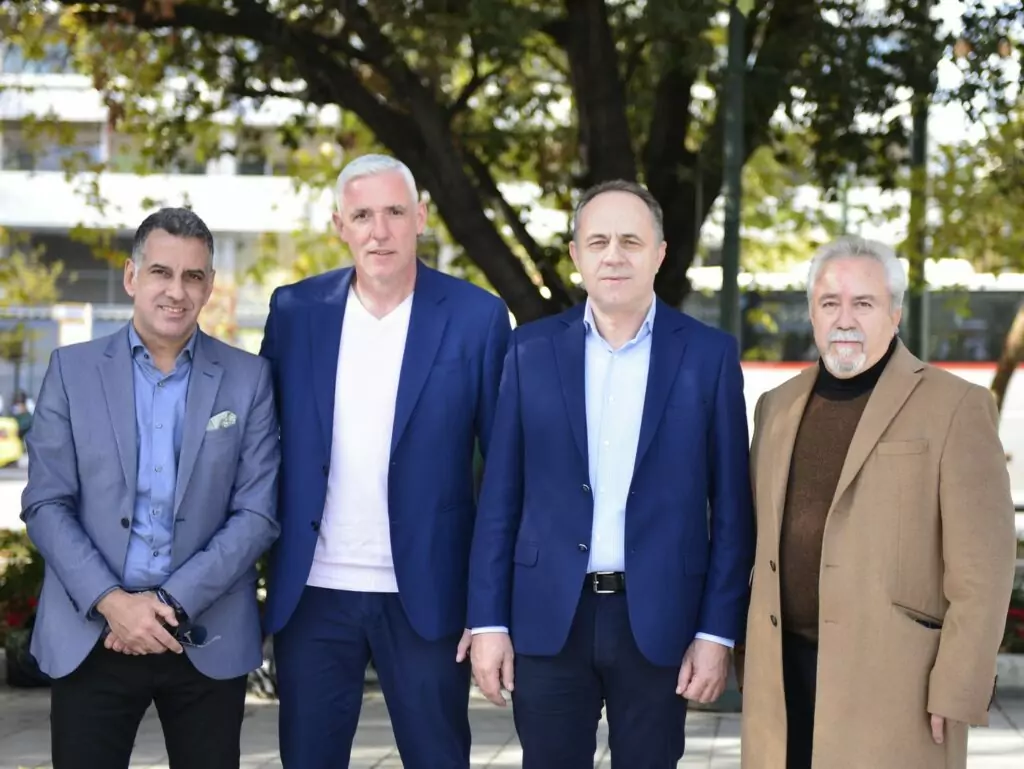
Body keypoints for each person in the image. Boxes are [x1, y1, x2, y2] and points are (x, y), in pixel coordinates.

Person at [466, 179, 756, 769]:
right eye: (598, 242)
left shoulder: (709, 356)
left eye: (631, 241)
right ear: (576, 255)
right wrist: (488, 621)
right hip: (548, 617)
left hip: (660, 621)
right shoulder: (529, 351)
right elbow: (499, 500)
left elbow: (732, 511)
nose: (614, 255)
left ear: (660, 253)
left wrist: (716, 633)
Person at [260, 154, 511, 769]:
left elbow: (505, 474)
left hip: (427, 595)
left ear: (420, 217)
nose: (380, 231)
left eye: (395, 212)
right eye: (363, 216)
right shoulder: (294, 312)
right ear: (339, 225)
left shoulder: (477, 317)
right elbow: (259, 449)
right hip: (313, 593)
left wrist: (489, 613)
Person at [739, 236, 1017, 769]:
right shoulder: (775, 407)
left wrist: (959, 683)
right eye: (830, 303)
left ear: (895, 312)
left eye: (863, 303)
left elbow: (984, 568)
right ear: (812, 313)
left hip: (897, 688)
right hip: (783, 681)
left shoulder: (956, 406)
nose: (845, 319)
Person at [21, 207, 281, 769]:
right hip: (93, 632)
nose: (176, 291)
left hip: (205, 631)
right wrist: (113, 603)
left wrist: (166, 604)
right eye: (161, 272)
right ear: (131, 276)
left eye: (193, 276)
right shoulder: (71, 370)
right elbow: (45, 502)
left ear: (209, 285)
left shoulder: (249, 378)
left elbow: (257, 514)